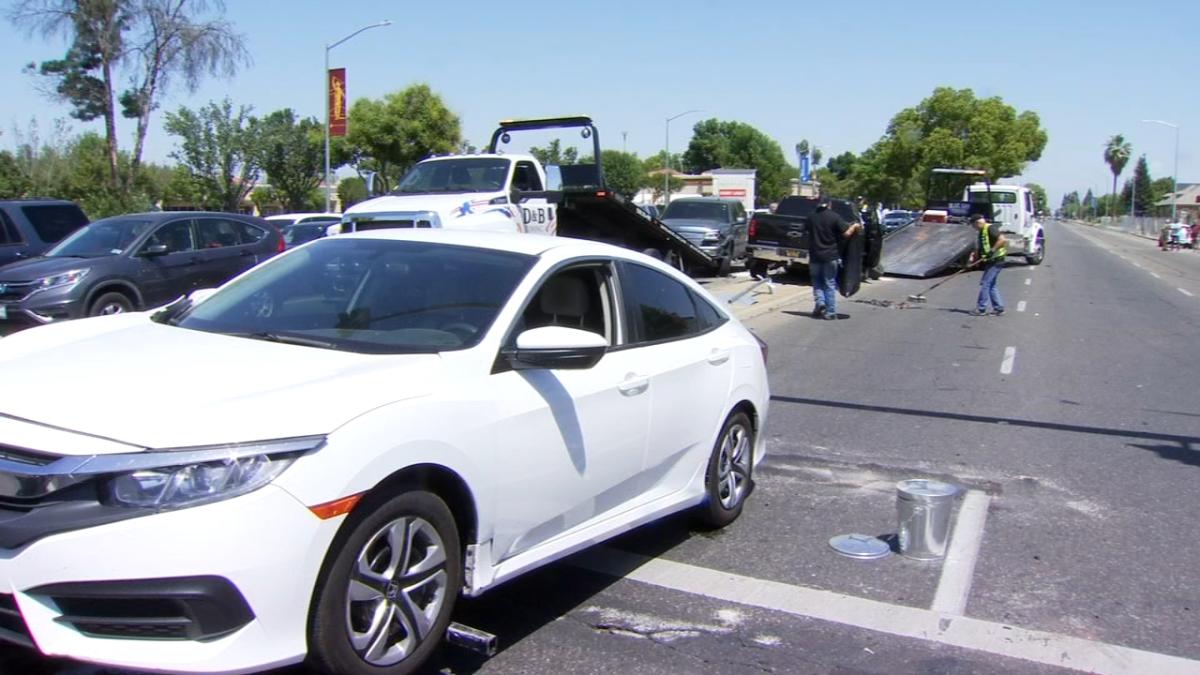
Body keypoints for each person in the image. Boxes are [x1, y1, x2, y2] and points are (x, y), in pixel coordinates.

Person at [809, 198, 862, 320]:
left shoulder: (811, 217)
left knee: (817, 282)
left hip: (815, 255)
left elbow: (806, 230)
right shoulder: (834, 217)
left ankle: (820, 303)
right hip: (830, 255)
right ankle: (830, 312)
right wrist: (854, 226)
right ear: (830, 205)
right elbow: (846, 233)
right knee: (829, 283)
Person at [968, 213, 1007, 316]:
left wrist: (992, 250)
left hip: (997, 260)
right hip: (991, 260)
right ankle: (999, 308)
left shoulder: (990, 228)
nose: (974, 228)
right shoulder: (982, 230)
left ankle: (981, 308)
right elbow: (981, 246)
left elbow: (1002, 239)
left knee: (985, 283)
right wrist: (975, 259)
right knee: (991, 284)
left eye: (974, 226)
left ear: (977, 223)